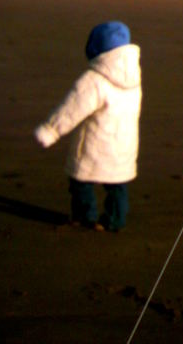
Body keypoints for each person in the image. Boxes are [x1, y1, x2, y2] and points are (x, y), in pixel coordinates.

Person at [34, 21, 142, 231]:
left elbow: (71, 109)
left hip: (95, 143)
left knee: (81, 180)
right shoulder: (134, 77)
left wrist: (51, 130)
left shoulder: (93, 80)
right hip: (124, 144)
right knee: (118, 185)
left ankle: (85, 217)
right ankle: (115, 220)